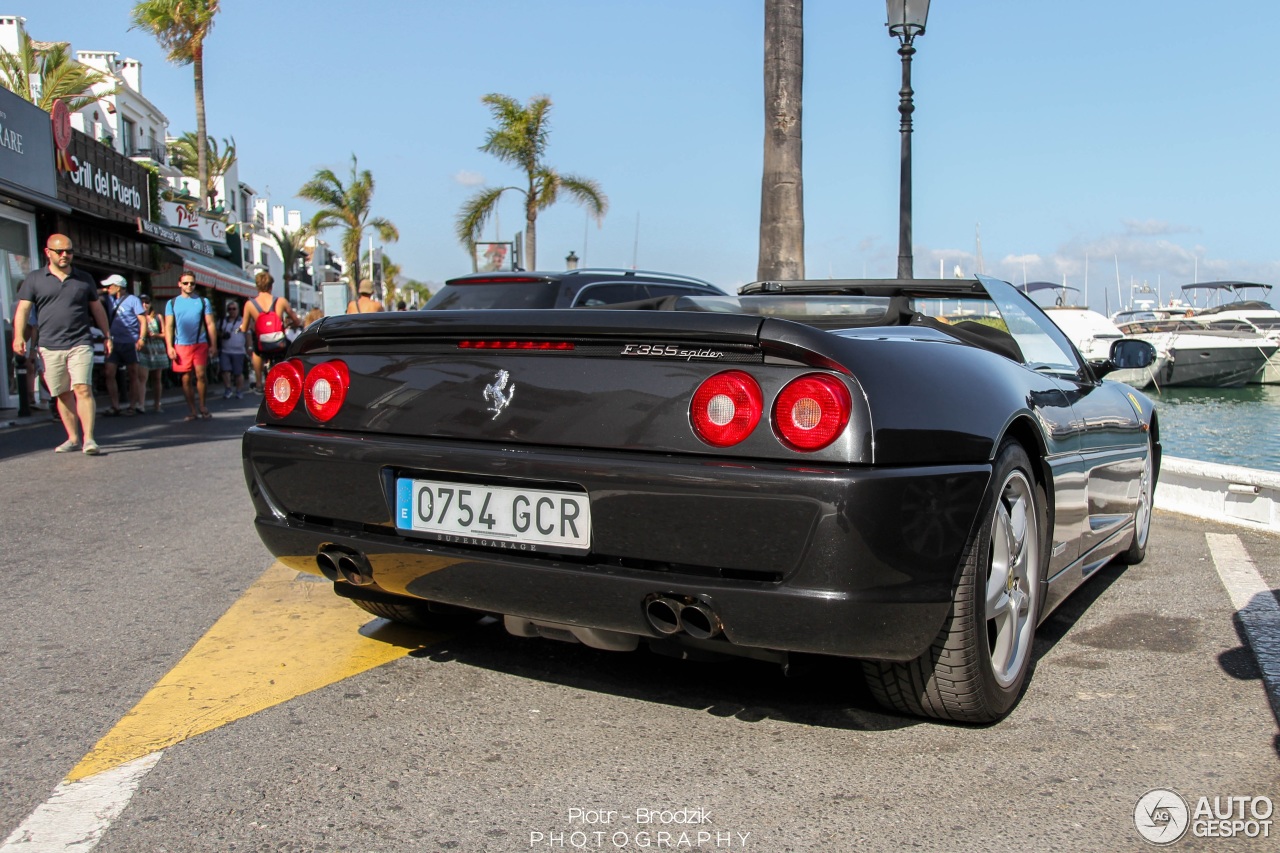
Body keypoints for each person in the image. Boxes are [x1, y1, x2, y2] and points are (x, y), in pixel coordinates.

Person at [11, 233, 112, 454]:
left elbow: (97, 308)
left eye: (69, 251)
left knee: (82, 388)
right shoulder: (35, 279)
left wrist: (107, 335)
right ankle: (73, 438)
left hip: (80, 341)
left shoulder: (83, 278)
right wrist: (19, 336)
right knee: (62, 393)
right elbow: (23, 310)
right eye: (60, 251)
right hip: (49, 345)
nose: (65, 255)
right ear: (48, 252)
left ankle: (89, 439)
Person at [165, 273, 218, 421]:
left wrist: (214, 344)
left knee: (201, 374)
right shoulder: (172, 303)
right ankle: (192, 409)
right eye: (186, 283)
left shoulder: (203, 301)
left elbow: (210, 324)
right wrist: (169, 347)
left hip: (200, 343)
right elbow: (169, 326)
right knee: (186, 378)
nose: (189, 286)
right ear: (179, 284)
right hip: (181, 345)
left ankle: (202, 405)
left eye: (192, 283)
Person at [241, 270, 299, 391]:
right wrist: (291, 323)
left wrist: (244, 328)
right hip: (279, 342)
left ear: (257, 286)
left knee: (256, 352)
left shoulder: (250, 304)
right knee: (289, 352)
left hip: (262, 343)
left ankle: (258, 382)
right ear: (271, 286)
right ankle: (290, 378)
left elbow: (244, 327)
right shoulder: (280, 301)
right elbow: (296, 320)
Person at [101, 274, 146, 416]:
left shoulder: (133, 300)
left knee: (133, 373)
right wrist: (104, 291)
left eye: (110, 286)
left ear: (118, 286)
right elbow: (92, 293)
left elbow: (143, 320)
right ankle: (115, 405)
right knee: (109, 372)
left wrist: (141, 338)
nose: (108, 289)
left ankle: (132, 406)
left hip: (130, 341)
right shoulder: (109, 299)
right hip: (114, 341)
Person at [137, 295, 169, 413]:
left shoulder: (157, 317)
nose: (144, 305)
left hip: (157, 349)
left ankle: (157, 404)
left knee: (157, 378)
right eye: (142, 302)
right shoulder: (137, 317)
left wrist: (155, 335)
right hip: (144, 349)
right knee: (142, 377)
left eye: (147, 302)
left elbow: (165, 334)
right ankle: (141, 404)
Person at [218, 300, 247, 399]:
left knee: (238, 372)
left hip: (239, 351)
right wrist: (222, 335)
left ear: (238, 310)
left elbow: (248, 335)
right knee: (225, 370)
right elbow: (217, 333)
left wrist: (250, 348)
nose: (232, 311)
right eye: (229, 309)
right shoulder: (223, 321)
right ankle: (228, 389)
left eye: (234, 309)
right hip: (225, 350)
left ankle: (239, 391)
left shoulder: (243, 321)